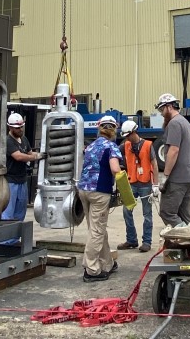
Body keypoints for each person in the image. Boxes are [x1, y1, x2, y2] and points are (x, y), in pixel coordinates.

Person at [78, 114, 123, 281]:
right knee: (97, 231)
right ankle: (91, 270)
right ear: (113, 130)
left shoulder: (90, 147)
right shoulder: (111, 147)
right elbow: (115, 169)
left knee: (96, 229)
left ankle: (107, 263)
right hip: (99, 192)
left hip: (83, 190)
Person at [151, 93, 190, 228]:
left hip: (178, 178)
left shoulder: (174, 123)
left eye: (161, 110)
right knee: (184, 215)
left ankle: (189, 238)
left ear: (169, 107)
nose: (161, 113)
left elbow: (173, 151)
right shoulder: (185, 122)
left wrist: (165, 177)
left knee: (167, 212)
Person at [116, 119, 154, 252]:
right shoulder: (126, 145)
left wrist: (155, 183)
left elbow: (154, 163)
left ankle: (147, 242)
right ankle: (131, 240)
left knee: (147, 214)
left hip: (145, 184)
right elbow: (114, 152)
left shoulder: (148, 145)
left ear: (133, 132)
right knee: (127, 211)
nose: (127, 139)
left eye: (128, 136)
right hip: (132, 183)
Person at [1, 112, 40, 223]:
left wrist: (39, 155)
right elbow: (18, 156)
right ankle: (5, 240)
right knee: (8, 211)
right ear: (10, 127)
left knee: (20, 211)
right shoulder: (8, 141)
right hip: (10, 181)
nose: (20, 130)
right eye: (17, 128)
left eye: (21, 127)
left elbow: (30, 153)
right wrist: (36, 156)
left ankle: (15, 238)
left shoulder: (24, 139)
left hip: (22, 180)